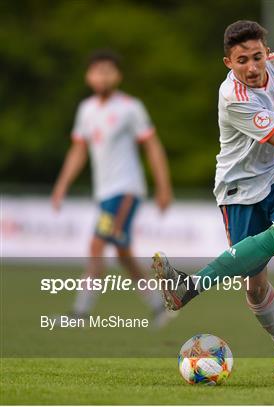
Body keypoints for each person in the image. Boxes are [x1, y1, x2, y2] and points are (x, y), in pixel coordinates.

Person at [153, 20, 274, 378]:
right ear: (228, 62)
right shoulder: (234, 98)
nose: (252, 67)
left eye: (256, 57)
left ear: (266, 52)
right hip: (239, 190)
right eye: (242, 60)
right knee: (255, 283)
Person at [52, 49, 174, 328]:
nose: (102, 76)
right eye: (97, 70)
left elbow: (152, 146)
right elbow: (78, 151)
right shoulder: (86, 110)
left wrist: (163, 187)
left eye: (108, 70)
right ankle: (160, 304)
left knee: (97, 244)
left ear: (117, 76)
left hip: (126, 190)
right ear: (88, 76)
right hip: (105, 193)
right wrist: (61, 186)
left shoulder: (130, 107)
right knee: (122, 252)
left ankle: (80, 313)